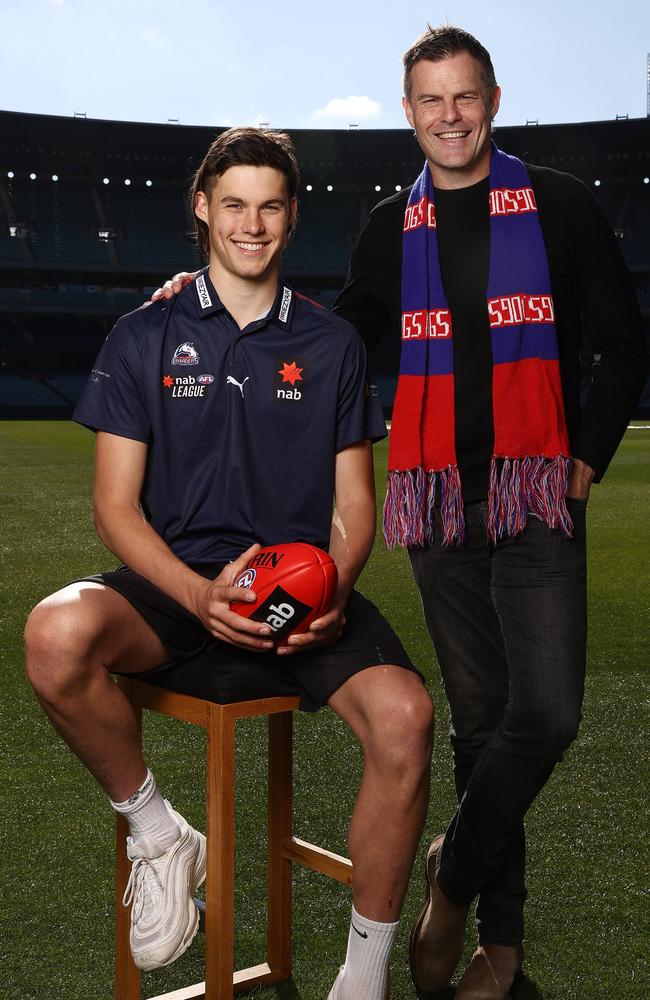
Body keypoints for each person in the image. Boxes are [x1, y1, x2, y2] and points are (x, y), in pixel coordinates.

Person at [154, 26, 648, 1000]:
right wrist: (210, 299)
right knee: (477, 723)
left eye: (463, 96)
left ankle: (448, 872)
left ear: (492, 100)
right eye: (429, 99)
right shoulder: (390, 227)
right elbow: (338, 341)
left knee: (542, 716)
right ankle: (495, 954)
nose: (448, 115)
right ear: (408, 109)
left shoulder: (556, 205)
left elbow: (621, 341)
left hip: (534, 493)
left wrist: (584, 457)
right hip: (433, 500)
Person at [24, 126, 435, 1000]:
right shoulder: (144, 334)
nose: (253, 224)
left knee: (406, 719)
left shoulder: (331, 345)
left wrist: (337, 585)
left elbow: (354, 508)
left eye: (272, 205)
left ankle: (362, 979)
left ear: (291, 217)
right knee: (55, 635)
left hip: (299, 590)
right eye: (235, 204)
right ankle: (159, 833)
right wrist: (196, 594)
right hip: (176, 588)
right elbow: (115, 509)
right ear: (204, 211)